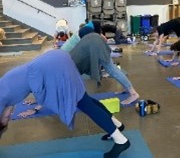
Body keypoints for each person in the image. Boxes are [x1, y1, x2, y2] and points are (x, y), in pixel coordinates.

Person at [0, 49, 130, 158]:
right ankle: (117, 125)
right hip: (56, 58)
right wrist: (35, 108)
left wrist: (37, 107)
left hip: (52, 66)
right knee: (85, 99)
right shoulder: (4, 90)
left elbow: (40, 89)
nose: (10, 118)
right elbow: (9, 108)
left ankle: (121, 140)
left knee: (84, 103)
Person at [71, 27, 139, 105]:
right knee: (113, 69)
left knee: (112, 70)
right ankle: (127, 88)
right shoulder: (91, 36)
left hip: (96, 44)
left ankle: (133, 93)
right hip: (97, 42)